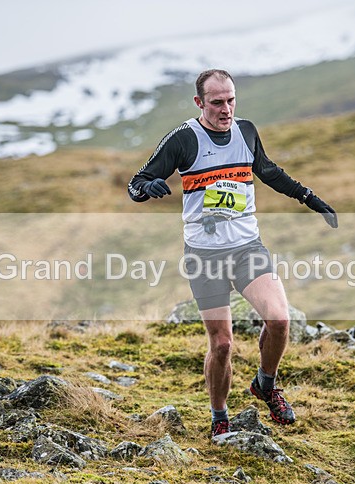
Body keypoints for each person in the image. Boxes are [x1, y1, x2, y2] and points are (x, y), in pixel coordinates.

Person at [127, 69, 338, 438]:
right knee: (222, 344)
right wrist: (150, 187)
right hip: (205, 255)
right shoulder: (184, 139)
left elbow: (268, 171)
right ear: (199, 103)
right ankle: (219, 416)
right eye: (216, 102)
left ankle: (265, 384)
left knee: (279, 321)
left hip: (246, 248)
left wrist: (310, 198)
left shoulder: (246, 131)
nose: (226, 109)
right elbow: (136, 183)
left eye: (231, 100)